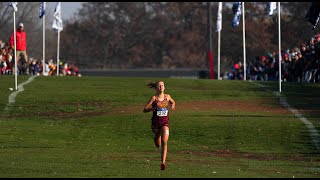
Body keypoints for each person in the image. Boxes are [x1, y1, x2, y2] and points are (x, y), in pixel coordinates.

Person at [143, 80, 175, 171]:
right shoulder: (154, 98)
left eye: (162, 85)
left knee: (165, 141)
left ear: (164, 87)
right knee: (158, 144)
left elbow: (173, 102)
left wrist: (172, 105)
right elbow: (144, 109)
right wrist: (153, 108)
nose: (161, 87)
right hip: (156, 124)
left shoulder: (167, 97)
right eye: (159, 86)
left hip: (165, 123)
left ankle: (163, 162)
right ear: (156, 88)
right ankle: (156, 138)